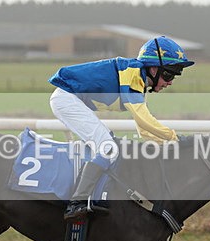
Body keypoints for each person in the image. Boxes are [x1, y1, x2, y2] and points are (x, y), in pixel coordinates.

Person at [49, 36, 194, 221]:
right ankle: (76, 203)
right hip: (66, 99)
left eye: (174, 76)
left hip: (70, 99)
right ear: (154, 69)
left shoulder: (139, 80)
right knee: (107, 148)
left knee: (108, 144)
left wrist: (167, 146)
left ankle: (91, 195)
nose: (170, 82)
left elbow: (143, 129)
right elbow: (145, 120)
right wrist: (175, 139)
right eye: (168, 75)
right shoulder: (133, 74)